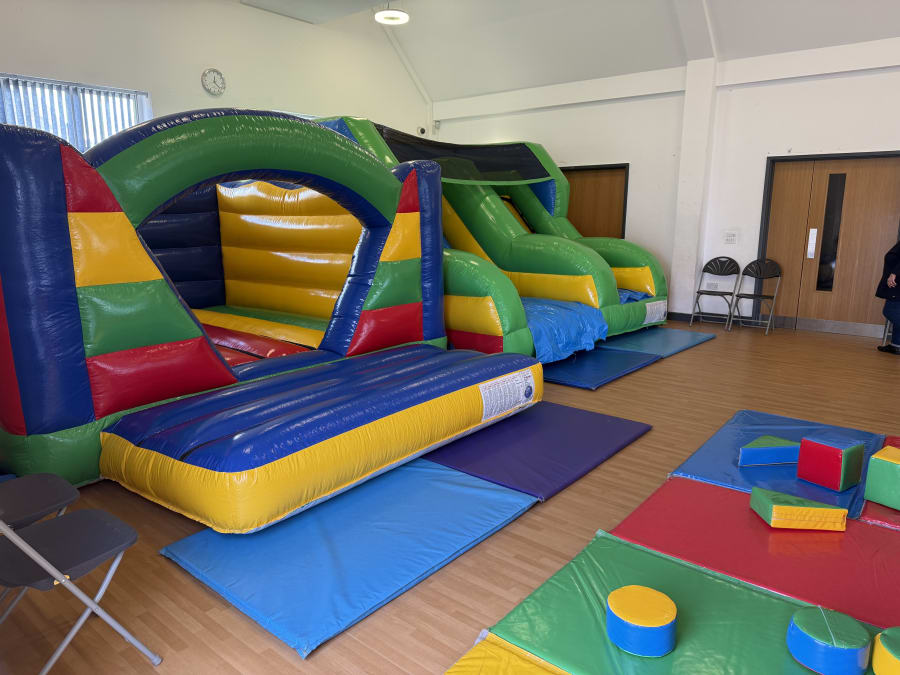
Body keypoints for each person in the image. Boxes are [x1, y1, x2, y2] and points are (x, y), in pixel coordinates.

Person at [876, 240, 900, 354]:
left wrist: (894, 273)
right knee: (897, 311)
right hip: (896, 282)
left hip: (897, 282)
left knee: (890, 311)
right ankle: (896, 345)